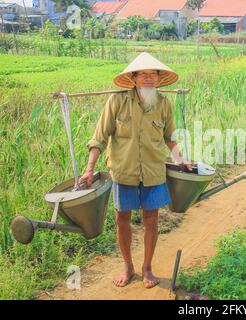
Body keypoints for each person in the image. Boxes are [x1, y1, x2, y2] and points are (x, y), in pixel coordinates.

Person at [78, 53, 191, 289]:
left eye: (153, 74)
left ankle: (147, 267)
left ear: (159, 79)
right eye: (143, 74)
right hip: (123, 170)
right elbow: (99, 137)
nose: (148, 79)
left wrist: (180, 158)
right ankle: (128, 266)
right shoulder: (117, 101)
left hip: (153, 171)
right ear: (134, 78)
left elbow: (170, 137)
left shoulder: (163, 104)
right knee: (122, 218)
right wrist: (89, 169)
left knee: (151, 218)